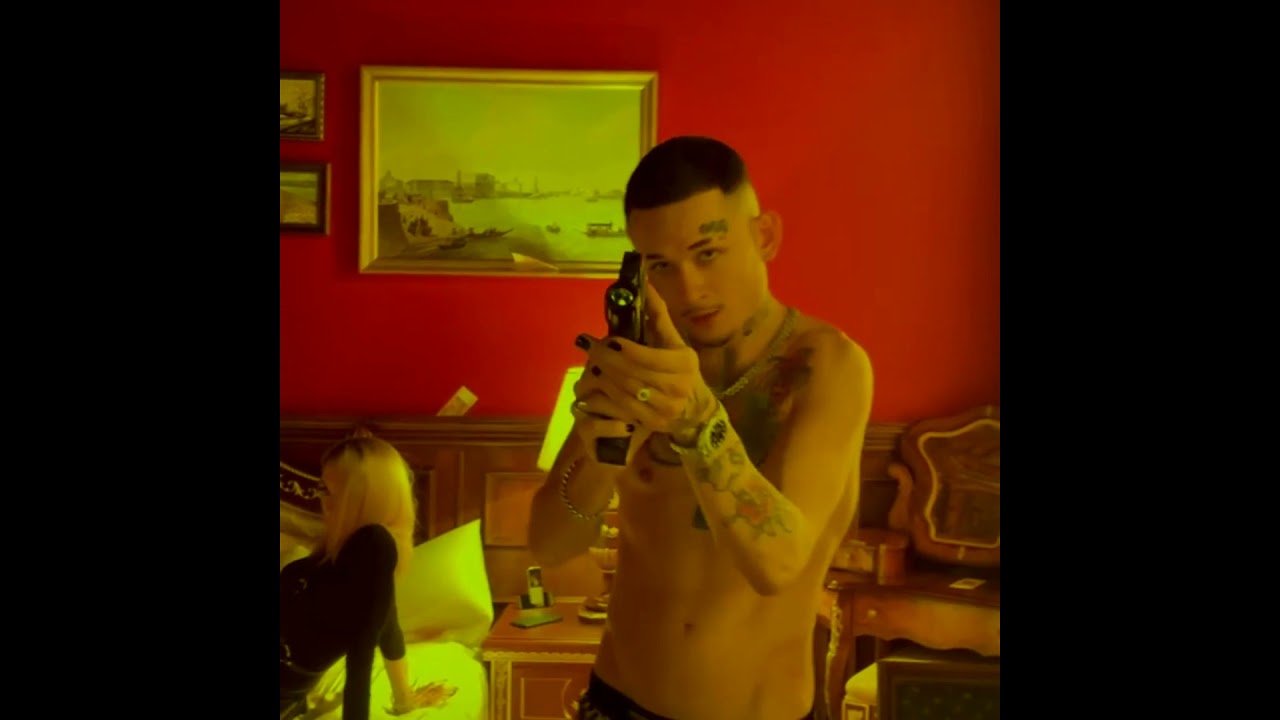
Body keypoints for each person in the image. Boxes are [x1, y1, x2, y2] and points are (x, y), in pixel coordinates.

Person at [528, 136, 874, 720]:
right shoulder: (641, 362)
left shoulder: (826, 367)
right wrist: (602, 447)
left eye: (707, 252)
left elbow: (778, 563)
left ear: (764, 237)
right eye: (661, 265)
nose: (689, 290)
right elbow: (551, 545)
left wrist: (696, 420)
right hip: (616, 701)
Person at [280, 435, 436, 720]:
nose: (320, 499)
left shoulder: (374, 543)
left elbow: (362, 652)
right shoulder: (342, 552)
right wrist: (403, 696)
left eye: (326, 489)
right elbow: (388, 624)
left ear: (359, 496)